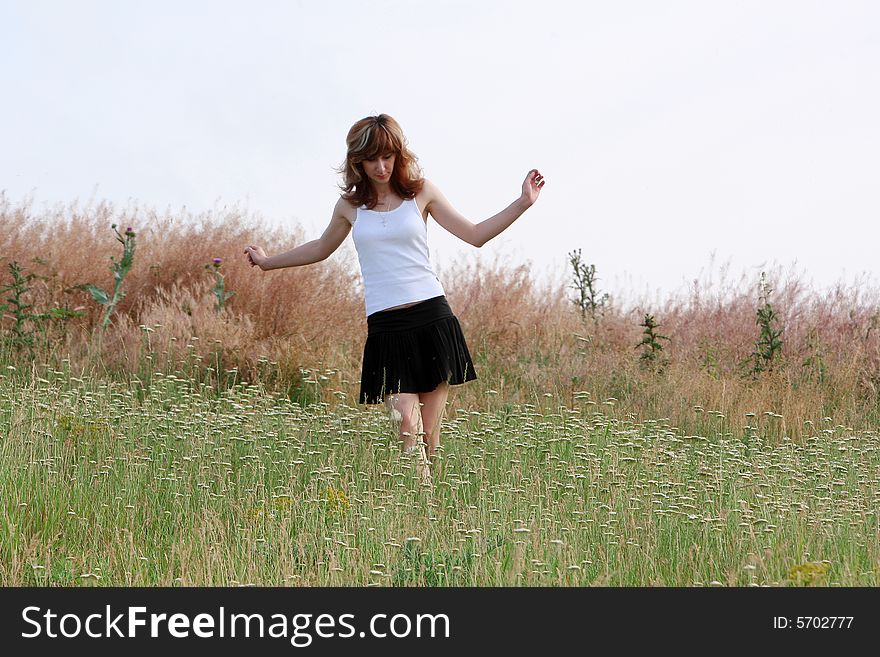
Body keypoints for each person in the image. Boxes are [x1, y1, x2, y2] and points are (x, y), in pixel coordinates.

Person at [244, 114, 544, 482]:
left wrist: (522, 203)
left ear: (398, 155)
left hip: (432, 318)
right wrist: (267, 262)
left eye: (387, 156)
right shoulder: (350, 207)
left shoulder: (421, 193)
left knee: (429, 440)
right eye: (372, 159)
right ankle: (423, 506)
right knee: (406, 427)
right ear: (358, 161)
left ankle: (429, 517)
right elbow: (322, 248)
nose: (381, 166)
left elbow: (476, 234)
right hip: (386, 326)